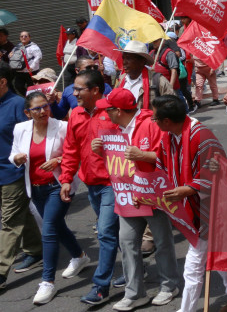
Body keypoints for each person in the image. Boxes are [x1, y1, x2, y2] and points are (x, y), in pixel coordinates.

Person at [151, 95, 227, 312]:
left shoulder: (201, 136)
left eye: (155, 118)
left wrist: (189, 188)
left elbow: (218, 169)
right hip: (191, 206)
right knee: (215, 251)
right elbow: (161, 166)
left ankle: (186, 310)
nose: (153, 122)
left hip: (211, 208)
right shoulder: (169, 136)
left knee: (193, 266)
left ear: (167, 121)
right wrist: (149, 193)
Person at [92, 88, 180, 311]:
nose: (105, 113)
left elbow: (170, 154)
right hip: (126, 196)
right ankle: (135, 294)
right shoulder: (113, 129)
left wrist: (144, 156)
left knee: (162, 242)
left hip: (153, 194)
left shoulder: (151, 123)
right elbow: (114, 162)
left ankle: (169, 286)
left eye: (108, 109)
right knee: (128, 242)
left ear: (118, 110)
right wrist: (101, 150)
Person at [10, 92, 89, 304]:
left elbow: (78, 153)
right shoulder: (21, 129)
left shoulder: (62, 127)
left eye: (45, 106)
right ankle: (80, 256)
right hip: (35, 189)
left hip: (58, 185)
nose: (43, 111)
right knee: (57, 227)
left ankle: (47, 282)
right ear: (28, 112)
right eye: (37, 108)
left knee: (49, 230)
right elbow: (14, 153)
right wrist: (16, 158)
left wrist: (59, 160)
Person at [59, 69, 119, 305]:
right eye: (74, 89)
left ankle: (101, 286)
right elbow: (71, 150)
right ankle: (137, 268)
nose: (74, 93)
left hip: (113, 183)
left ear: (95, 90)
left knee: (104, 232)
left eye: (78, 89)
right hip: (90, 184)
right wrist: (66, 179)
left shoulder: (113, 111)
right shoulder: (75, 114)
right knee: (114, 233)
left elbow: (128, 142)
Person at [0, 64, 43, 291]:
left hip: (13, 173)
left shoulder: (18, 105)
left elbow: (33, 134)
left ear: (3, 81)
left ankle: (0, 271)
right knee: (19, 213)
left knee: (9, 222)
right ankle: (35, 250)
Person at [49, 56, 113, 120]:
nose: (93, 70)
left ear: (96, 90)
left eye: (95, 67)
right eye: (88, 68)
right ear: (77, 70)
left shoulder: (106, 87)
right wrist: (53, 103)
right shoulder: (68, 91)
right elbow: (60, 115)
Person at [117, 41, 174, 110]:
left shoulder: (157, 81)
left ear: (142, 61)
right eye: (124, 58)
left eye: (128, 58)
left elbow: (172, 107)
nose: (124, 62)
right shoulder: (122, 80)